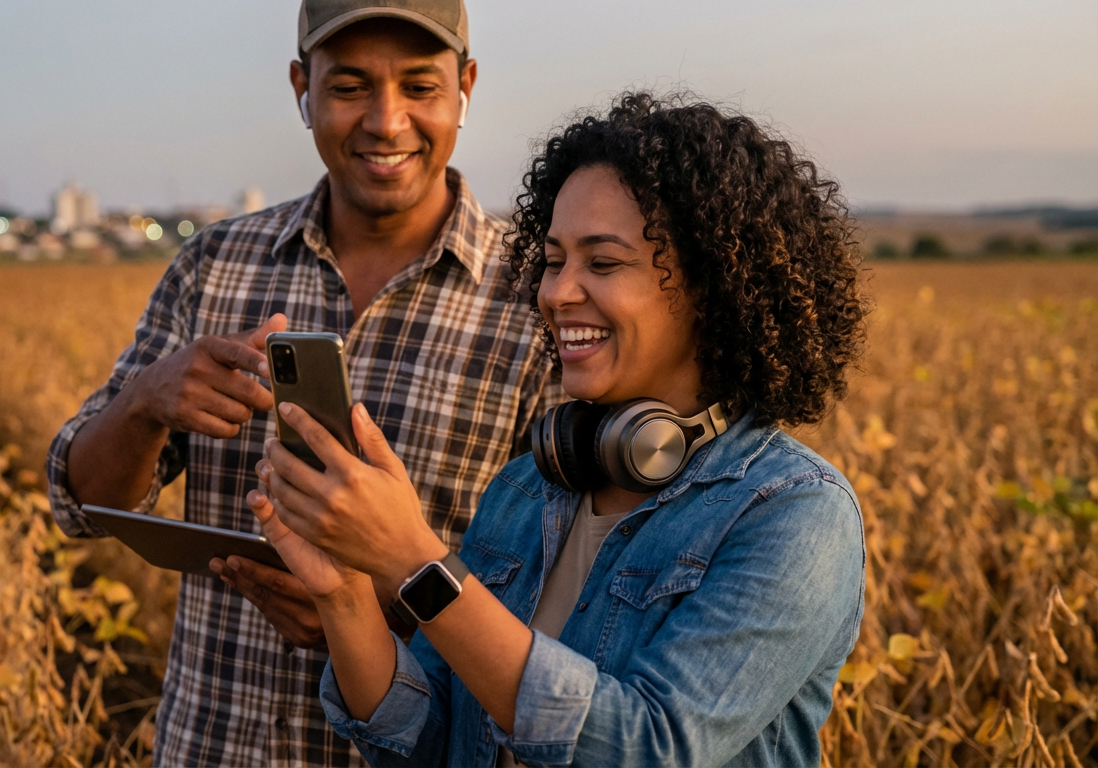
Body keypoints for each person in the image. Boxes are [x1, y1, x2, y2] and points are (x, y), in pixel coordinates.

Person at [249, 90, 870, 767]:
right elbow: (424, 742)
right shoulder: (527, 486)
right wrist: (343, 594)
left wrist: (414, 562)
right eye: (552, 259)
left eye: (602, 263)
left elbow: (647, 748)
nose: (556, 291)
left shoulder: (794, 512)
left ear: (715, 286)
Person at [45, 1, 563, 765]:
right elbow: (82, 508)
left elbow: (569, 595)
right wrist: (146, 400)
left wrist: (379, 609)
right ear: (302, 89)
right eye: (350, 86)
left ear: (466, 88)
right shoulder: (214, 265)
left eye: (420, 87)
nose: (386, 122)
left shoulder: (539, 297)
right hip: (216, 741)